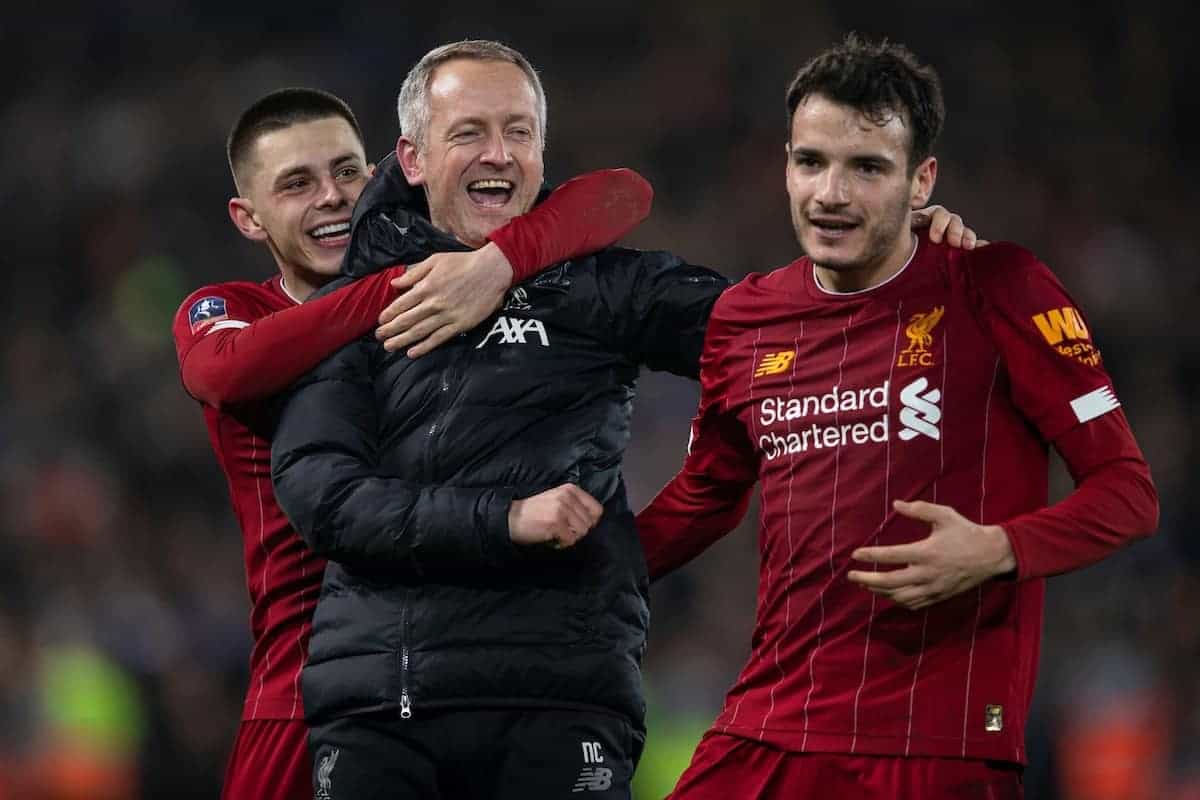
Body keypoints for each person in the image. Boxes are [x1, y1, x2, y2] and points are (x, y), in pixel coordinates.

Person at [269, 40, 980, 800]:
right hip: (385, 705)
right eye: (469, 132)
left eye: (519, 132)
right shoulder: (355, 304)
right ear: (411, 159)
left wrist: (894, 255)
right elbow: (325, 496)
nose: (499, 154)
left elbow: (781, 328)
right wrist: (502, 519)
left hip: (562, 696)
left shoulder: (597, 287)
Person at [636, 34, 1160, 799]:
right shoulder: (744, 318)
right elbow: (704, 496)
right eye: (810, 162)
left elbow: (1128, 493)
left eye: (868, 168)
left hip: (933, 745)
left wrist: (998, 548)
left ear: (923, 181)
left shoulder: (998, 286)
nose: (830, 195)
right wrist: (581, 569)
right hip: (769, 726)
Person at [171, 86, 657, 800]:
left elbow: (620, 195)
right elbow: (223, 369)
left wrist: (495, 262)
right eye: (297, 184)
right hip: (304, 687)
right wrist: (407, 283)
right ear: (249, 217)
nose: (333, 197)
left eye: (348, 172)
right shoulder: (238, 313)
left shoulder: (464, 281)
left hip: (450, 676)